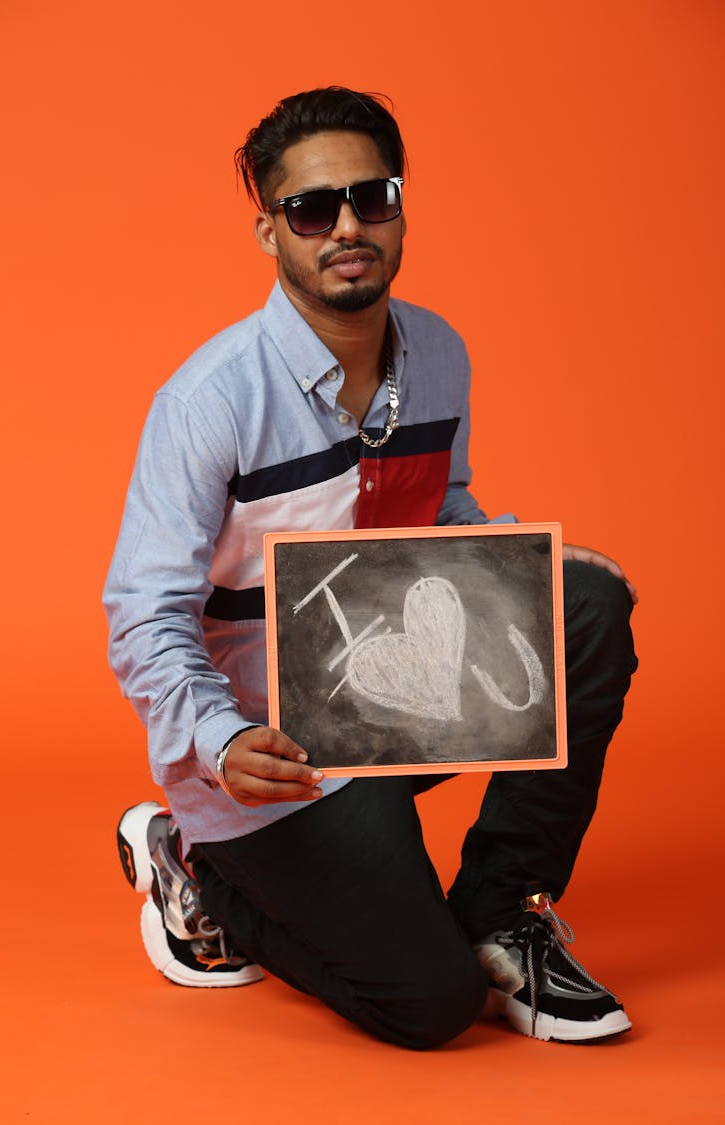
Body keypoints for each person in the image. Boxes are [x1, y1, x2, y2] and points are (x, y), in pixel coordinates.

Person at [104, 86, 638, 1049]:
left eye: (372, 196)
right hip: (274, 758)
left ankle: (498, 914)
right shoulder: (207, 402)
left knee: (586, 603)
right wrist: (222, 741)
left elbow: (441, 517)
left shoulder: (437, 351)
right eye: (312, 208)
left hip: (398, 694)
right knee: (427, 1005)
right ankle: (194, 864)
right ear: (271, 232)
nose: (347, 226)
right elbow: (143, 616)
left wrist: (531, 559)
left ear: (398, 203)